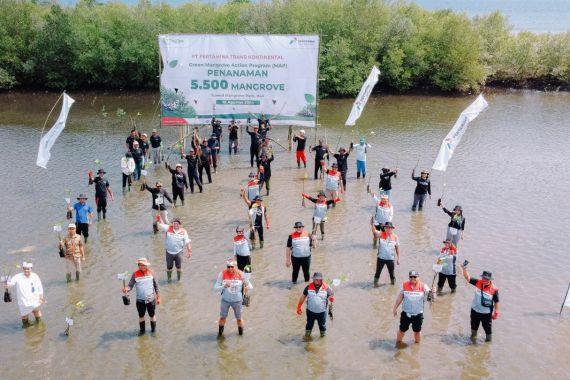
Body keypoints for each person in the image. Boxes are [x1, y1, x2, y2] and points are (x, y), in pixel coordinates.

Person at [215, 258, 252, 338]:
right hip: (225, 300)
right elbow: (215, 288)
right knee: (222, 318)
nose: (230, 268)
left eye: (232, 266)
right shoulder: (222, 274)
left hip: (237, 301)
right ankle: (220, 335)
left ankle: (241, 337)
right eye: (228, 266)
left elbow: (251, 286)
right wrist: (223, 286)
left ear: (235, 266)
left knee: (239, 319)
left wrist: (247, 287)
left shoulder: (241, 274)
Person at [461, 265, 499, 342]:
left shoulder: (494, 289)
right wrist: (464, 269)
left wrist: (496, 312)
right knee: (474, 327)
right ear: (482, 277)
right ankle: (473, 340)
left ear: (490, 279)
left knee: (488, 329)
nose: (485, 280)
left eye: (487, 279)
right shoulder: (478, 282)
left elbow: (496, 301)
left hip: (486, 314)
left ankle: (488, 342)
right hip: (475, 311)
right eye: (484, 278)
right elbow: (467, 277)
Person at [392, 270, 432, 345]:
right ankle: (398, 344)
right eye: (411, 277)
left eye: (415, 277)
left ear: (418, 277)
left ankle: (417, 346)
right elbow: (400, 297)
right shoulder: (404, 285)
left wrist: (433, 292)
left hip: (418, 314)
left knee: (417, 332)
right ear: (409, 277)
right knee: (401, 330)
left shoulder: (423, 286)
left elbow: (430, 296)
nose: (412, 278)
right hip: (405, 314)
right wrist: (395, 308)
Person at [122, 258, 160, 336]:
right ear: (138, 265)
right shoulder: (135, 274)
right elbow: (130, 286)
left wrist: (158, 297)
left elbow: (156, 286)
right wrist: (126, 289)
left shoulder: (152, 273)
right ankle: (142, 331)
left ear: (146, 265)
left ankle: (153, 331)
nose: (141, 266)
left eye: (143, 265)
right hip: (140, 301)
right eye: (140, 265)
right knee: (141, 316)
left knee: (152, 315)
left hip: (151, 300)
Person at [296, 272, 334, 339]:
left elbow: (331, 297)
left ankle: (322, 339)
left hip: (322, 312)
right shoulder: (308, 287)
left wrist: (331, 298)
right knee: (309, 325)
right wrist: (299, 307)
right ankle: (307, 337)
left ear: (321, 280)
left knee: (322, 326)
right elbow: (303, 297)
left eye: (317, 279)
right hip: (310, 312)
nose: (315, 280)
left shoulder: (327, 288)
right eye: (314, 279)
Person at [5, 262, 44, 328]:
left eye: (28, 269)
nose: (26, 270)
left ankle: (40, 325)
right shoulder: (18, 276)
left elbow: (40, 287)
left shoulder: (35, 276)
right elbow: (11, 283)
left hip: (34, 299)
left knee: (36, 311)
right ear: (23, 269)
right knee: (24, 315)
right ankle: (27, 328)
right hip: (23, 301)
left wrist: (41, 297)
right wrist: (7, 285)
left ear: (31, 269)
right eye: (25, 269)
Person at [156, 216, 192, 281]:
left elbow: (187, 242)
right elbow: (160, 225)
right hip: (169, 252)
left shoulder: (184, 231)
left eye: (177, 223)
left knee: (179, 267)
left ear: (180, 224)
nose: (175, 225)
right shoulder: (168, 228)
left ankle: (179, 280)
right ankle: (169, 279)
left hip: (179, 252)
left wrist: (189, 251)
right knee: (169, 267)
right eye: (174, 223)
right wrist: (158, 219)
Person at [371, 221, 400, 287]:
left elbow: (397, 248)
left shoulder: (395, 237)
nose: (388, 229)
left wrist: (398, 258)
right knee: (377, 273)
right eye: (386, 227)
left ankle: (393, 286)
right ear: (384, 228)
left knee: (392, 274)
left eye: (389, 228)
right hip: (380, 258)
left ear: (392, 228)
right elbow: (374, 232)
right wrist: (372, 224)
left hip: (390, 259)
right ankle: (375, 285)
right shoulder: (381, 234)